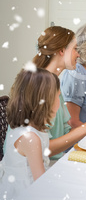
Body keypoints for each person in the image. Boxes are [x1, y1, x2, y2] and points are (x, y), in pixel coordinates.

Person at [33, 26, 86, 160]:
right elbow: (42, 149)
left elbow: (66, 133)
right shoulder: (39, 87)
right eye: (75, 49)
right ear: (61, 51)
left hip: (58, 159)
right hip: (40, 169)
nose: (79, 54)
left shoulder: (54, 84)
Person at [0, 67, 60, 198]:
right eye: (58, 96)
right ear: (46, 101)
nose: (60, 102)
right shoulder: (30, 138)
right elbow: (41, 185)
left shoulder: (35, 130)